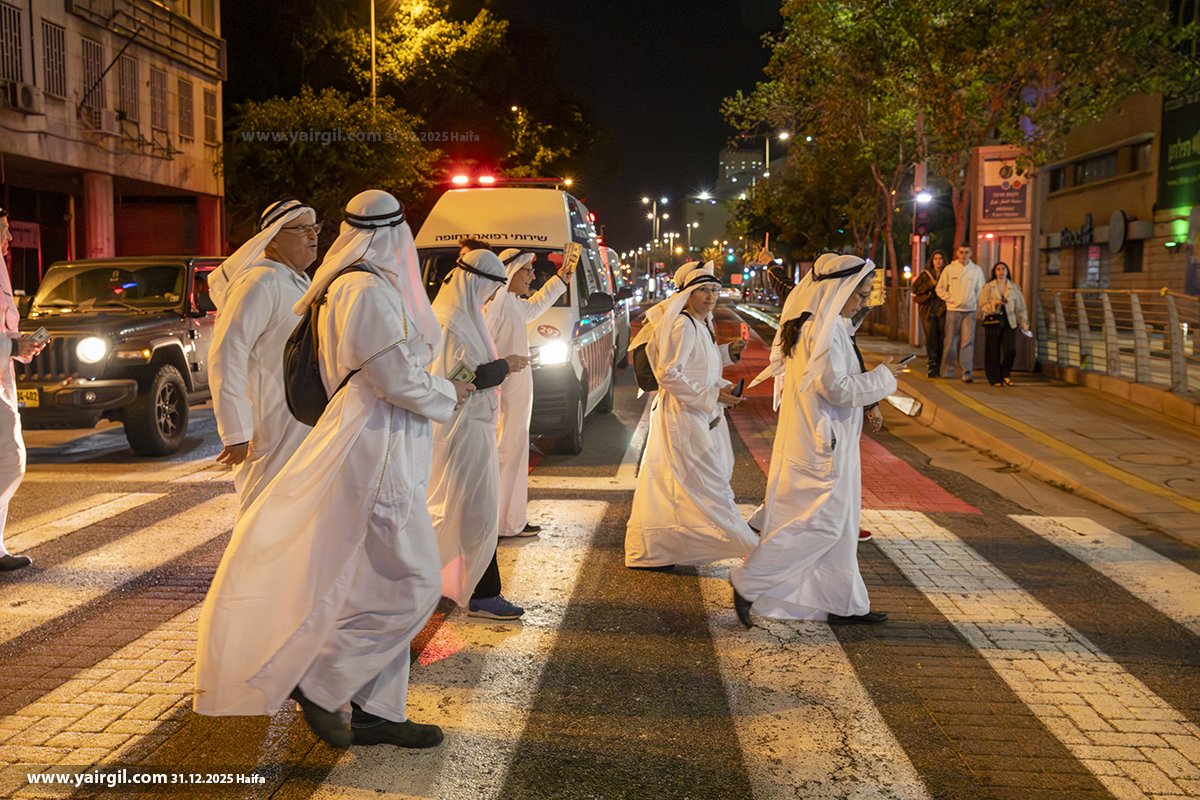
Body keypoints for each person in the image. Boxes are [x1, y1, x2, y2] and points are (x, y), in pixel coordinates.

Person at [195, 190, 471, 751]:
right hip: (372, 447)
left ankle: (378, 710)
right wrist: (450, 390)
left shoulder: (346, 283)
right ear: (392, 235)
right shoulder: (362, 289)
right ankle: (323, 680)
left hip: (376, 441)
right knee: (415, 580)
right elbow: (394, 378)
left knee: (371, 579)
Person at [732, 255, 902, 627]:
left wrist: (874, 391)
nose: (861, 302)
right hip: (822, 443)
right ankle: (749, 581)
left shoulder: (828, 326)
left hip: (828, 438)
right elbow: (836, 388)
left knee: (841, 525)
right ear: (837, 291)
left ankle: (844, 603)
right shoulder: (820, 331)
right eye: (858, 294)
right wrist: (885, 378)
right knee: (822, 524)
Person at [625, 261, 755, 569]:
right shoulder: (683, 324)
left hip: (694, 413)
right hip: (682, 416)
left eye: (714, 290)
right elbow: (669, 373)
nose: (711, 297)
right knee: (709, 486)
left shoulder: (700, 324)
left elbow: (701, 367)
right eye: (703, 291)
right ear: (688, 294)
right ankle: (750, 550)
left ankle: (654, 552)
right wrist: (712, 395)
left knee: (667, 486)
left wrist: (723, 378)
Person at [428, 248, 531, 620]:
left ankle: (468, 588)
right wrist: (505, 366)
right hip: (461, 432)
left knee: (468, 513)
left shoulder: (466, 319)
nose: (491, 297)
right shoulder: (450, 323)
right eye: (490, 287)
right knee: (472, 513)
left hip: (474, 430)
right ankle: (479, 593)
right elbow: (455, 379)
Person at [208, 198, 316, 515]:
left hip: (298, 419)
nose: (313, 236)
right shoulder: (258, 282)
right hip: (269, 424)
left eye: (315, 228)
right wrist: (236, 431)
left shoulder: (297, 281)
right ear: (274, 237)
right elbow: (227, 355)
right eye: (302, 229)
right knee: (264, 514)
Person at [485, 248, 575, 538]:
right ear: (511, 272)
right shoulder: (497, 302)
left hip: (515, 392)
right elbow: (484, 347)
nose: (533, 276)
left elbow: (535, 308)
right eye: (528, 271)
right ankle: (499, 522)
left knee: (514, 453)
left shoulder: (510, 301)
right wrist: (502, 369)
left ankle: (510, 520)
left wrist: (561, 279)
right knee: (504, 454)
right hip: (503, 393)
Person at [0, 207, 47, 572]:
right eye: (3, 229)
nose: (10, 237)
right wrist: (12, 347)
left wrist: (21, 345)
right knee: (10, 460)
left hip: (3, 378)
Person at [935, 245, 985, 382]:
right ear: (957, 253)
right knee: (950, 341)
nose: (964, 255)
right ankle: (947, 370)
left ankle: (967, 371)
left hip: (970, 311)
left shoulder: (976, 270)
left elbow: (981, 290)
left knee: (967, 342)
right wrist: (951, 299)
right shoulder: (950, 269)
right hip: (953, 310)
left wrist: (980, 307)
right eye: (961, 252)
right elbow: (939, 288)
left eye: (966, 252)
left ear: (971, 253)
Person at [978, 261, 1029, 387]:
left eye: (1004, 269)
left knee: (1010, 350)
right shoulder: (989, 286)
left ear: (1007, 271)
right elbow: (982, 304)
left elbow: (1020, 306)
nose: (1001, 271)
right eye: (998, 269)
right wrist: (995, 303)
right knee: (993, 350)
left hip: (1009, 321)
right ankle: (995, 377)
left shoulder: (1013, 287)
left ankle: (1005, 373)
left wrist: (1023, 322)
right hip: (993, 320)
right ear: (994, 272)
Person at [910, 250, 947, 378]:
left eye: (940, 259)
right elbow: (915, 288)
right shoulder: (925, 275)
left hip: (942, 309)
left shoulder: (947, 273)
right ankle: (932, 365)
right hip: (928, 309)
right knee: (931, 337)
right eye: (935, 259)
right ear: (932, 261)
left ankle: (939, 364)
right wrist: (929, 285)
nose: (938, 261)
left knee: (941, 337)